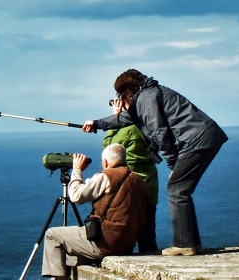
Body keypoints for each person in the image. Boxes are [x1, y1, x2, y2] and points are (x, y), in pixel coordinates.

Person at [83, 69, 227, 257]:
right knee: (182, 190)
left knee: (177, 189)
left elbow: (159, 131)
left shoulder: (146, 98)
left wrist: (172, 162)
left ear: (127, 92)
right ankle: (192, 243)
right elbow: (126, 118)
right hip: (205, 136)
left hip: (196, 139)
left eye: (120, 96)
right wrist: (97, 123)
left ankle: (184, 244)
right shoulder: (149, 95)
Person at [22, 144, 147, 280]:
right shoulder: (138, 179)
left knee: (52, 235)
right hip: (126, 242)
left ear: (106, 162)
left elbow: (76, 196)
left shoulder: (106, 176)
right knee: (65, 257)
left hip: (106, 241)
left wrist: (77, 170)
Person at [103, 121, 159, 254]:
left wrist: (114, 123)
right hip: (150, 182)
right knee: (148, 229)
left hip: (131, 186)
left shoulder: (130, 128)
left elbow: (109, 148)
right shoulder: (151, 124)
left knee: (127, 227)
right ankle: (150, 256)